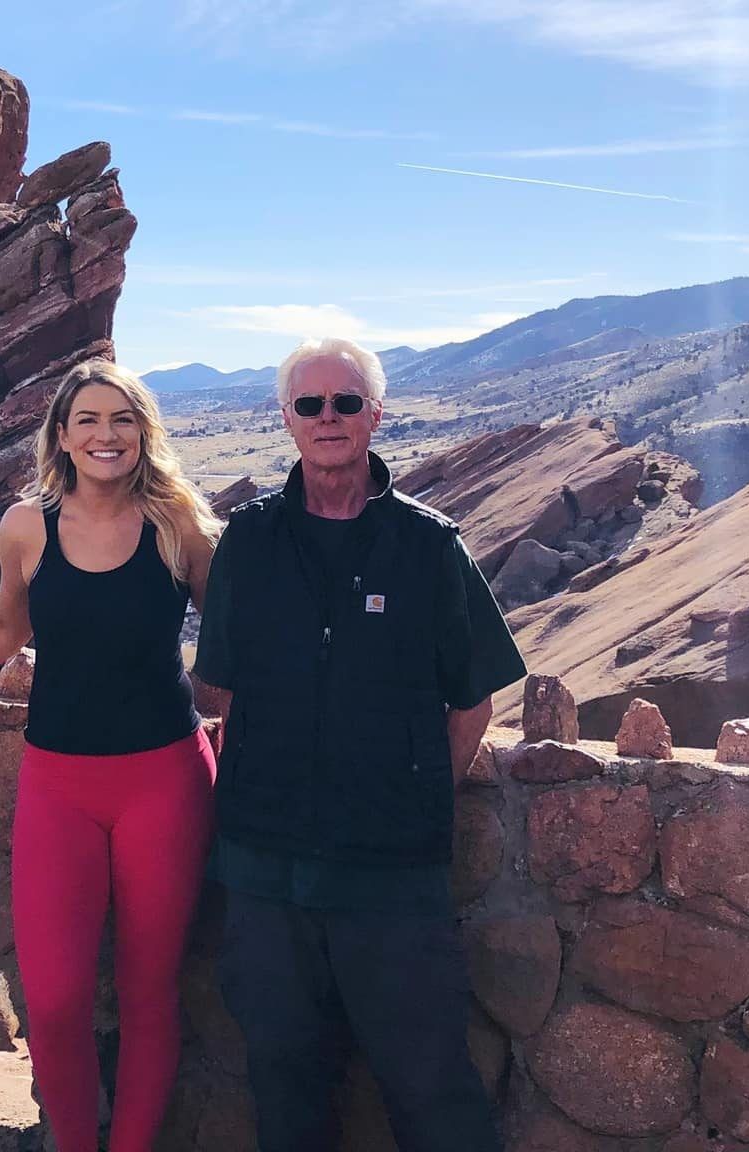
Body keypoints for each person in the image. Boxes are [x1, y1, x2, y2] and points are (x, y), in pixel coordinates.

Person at [193, 336, 527, 1151]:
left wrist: (414, 796)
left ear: (376, 416)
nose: (328, 418)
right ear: (287, 421)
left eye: (346, 402)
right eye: (310, 405)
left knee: (431, 1085)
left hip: (391, 873)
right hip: (266, 867)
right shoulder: (250, 542)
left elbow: (472, 701)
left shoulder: (428, 546)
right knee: (283, 1078)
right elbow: (217, 690)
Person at [0, 359, 221, 1152]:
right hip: (58, 784)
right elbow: (9, 627)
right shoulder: (25, 524)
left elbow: (232, 642)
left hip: (165, 781)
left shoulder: (181, 525)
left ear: (144, 433)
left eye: (123, 420)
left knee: (148, 993)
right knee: (58, 995)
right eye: (89, 421)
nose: (106, 436)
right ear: (62, 437)